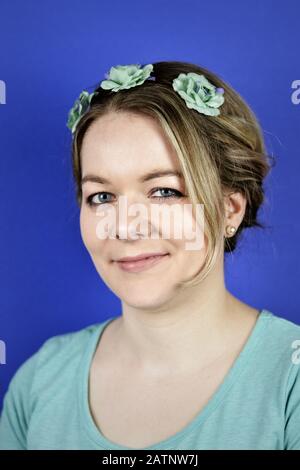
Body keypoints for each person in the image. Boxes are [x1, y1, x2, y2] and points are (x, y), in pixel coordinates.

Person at [0, 61, 299, 450]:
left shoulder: (290, 380)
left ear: (230, 209)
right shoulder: (41, 379)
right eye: (101, 197)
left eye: (164, 191)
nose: (126, 227)